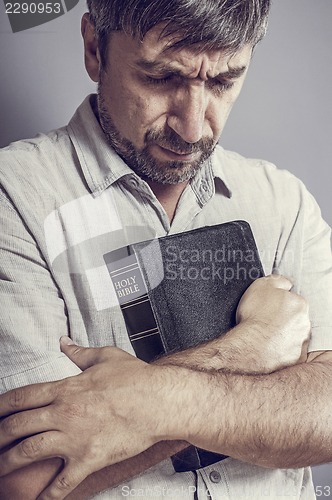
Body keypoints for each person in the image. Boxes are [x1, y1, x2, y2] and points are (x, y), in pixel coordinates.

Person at [0, 0, 331, 499]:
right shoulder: (14, 197)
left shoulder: (284, 201)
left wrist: (153, 403)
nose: (193, 127)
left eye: (222, 82)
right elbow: (28, 479)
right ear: (94, 48)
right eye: (159, 78)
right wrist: (252, 349)